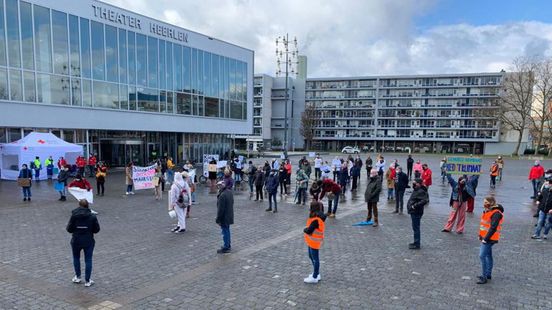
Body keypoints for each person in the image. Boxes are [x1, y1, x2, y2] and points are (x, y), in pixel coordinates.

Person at [66, 199, 100, 287]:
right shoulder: (92, 216)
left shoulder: (74, 215)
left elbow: (69, 229)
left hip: (76, 240)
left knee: (76, 257)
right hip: (88, 240)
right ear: (87, 205)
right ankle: (88, 280)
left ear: (79, 205)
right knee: (88, 259)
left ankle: (77, 277)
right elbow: (96, 230)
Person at [477, 197, 504, 284]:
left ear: (491, 202)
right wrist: (480, 235)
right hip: (487, 237)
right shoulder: (488, 210)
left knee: (482, 255)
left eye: (486, 202)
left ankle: (484, 276)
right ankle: (488, 274)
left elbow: (493, 227)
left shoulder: (496, 213)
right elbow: (484, 225)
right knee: (488, 255)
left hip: (489, 238)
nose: (484, 203)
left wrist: (485, 239)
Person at [303, 201, 327, 284]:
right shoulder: (317, 216)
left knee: (315, 259)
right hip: (312, 241)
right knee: (311, 256)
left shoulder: (316, 219)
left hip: (314, 242)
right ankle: (316, 273)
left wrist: (305, 229)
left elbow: (309, 230)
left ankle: (315, 277)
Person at [406, 178, 429, 249]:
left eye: (414, 183)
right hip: (414, 211)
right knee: (415, 227)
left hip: (416, 212)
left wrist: (414, 206)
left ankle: (417, 243)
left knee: (416, 228)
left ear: (418, 184)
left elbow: (424, 201)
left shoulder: (421, 191)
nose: (413, 184)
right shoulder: (416, 189)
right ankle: (415, 242)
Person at [216, 180, 234, 254]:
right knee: (227, 230)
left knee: (225, 231)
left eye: (218, 186)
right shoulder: (229, 192)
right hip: (229, 214)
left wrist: (218, 219)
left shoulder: (222, 195)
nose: (218, 187)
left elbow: (220, 209)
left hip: (224, 216)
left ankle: (226, 246)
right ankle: (228, 245)